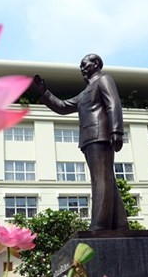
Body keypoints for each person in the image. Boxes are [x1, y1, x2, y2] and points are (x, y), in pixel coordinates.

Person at [34, 53, 129, 231]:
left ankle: (99, 224)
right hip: (88, 138)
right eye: (80, 65)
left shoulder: (104, 80)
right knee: (106, 179)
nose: (82, 68)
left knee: (100, 179)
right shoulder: (84, 92)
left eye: (85, 64)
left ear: (96, 64)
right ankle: (120, 223)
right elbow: (62, 107)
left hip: (100, 135)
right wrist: (44, 93)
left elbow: (113, 104)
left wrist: (116, 130)